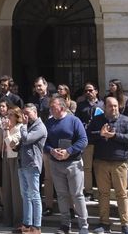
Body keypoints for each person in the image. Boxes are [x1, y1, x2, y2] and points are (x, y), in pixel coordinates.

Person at [88, 97, 128, 234]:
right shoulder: (97, 120)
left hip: (119, 163)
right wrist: (100, 134)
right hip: (101, 162)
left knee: (121, 194)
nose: (114, 108)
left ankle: (125, 224)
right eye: (110, 106)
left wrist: (114, 136)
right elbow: (88, 136)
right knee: (103, 194)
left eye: (115, 106)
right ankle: (104, 223)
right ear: (105, 107)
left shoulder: (125, 120)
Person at [44, 96, 89, 234]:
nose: (50, 109)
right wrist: (51, 150)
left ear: (62, 107)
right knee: (62, 195)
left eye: (53, 107)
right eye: (50, 107)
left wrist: (69, 151)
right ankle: (65, 224)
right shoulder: (49, 122)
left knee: (77, 195)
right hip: (55, 164)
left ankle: (83, 225)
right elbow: (43, 142)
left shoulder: (74, 121)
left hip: (73, 163)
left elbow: (83, 140)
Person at [16, 103, 48, 234]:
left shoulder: (40, 127)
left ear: (35, 112)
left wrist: (23, 126)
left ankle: (37, 226)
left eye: (28, 113)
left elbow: (27, 139)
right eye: (24, 113)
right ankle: (27, 224)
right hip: (23, 163)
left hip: (32, 164)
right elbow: (23, 142)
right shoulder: (28, 126)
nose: (25, 116)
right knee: (25, 195)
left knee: (35, 195)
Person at [76, 81, 104, 200]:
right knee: (87, 167)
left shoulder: (103, 104)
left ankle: (103, 190)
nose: (88, 92)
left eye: (90, 90)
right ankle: (88, 191)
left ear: (96, 91)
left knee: (101, 166)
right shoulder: (81, 105)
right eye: (86, 91)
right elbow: (77, 121)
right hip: (87, 139)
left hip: (102, 140)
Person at [0, 107, 23, 228]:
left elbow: (12, 144)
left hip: (15, 159)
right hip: (6, 159)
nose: (8, 118)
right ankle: (7, 219)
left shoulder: (20, 128)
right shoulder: (6, 128)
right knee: (7, 190)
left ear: (16, 116)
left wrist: (7, 130)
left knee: (16, 191)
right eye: (7, 115)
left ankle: (18, 221)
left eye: (10, 115)